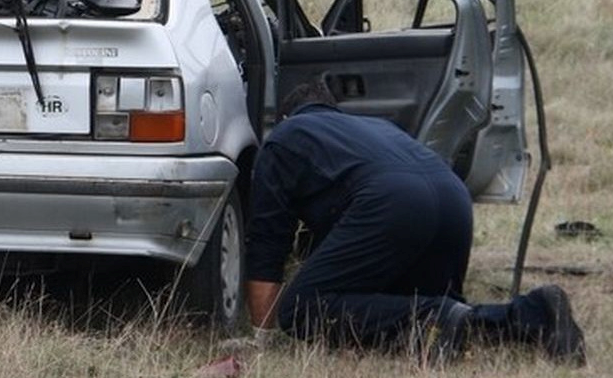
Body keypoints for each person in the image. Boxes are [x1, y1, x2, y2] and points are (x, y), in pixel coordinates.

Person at [243, 77, 585, 364]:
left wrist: (262, 339)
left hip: (392, 202)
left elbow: (267, 243)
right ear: (333, 109)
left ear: (287, 116)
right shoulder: (374, 127)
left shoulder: (286, 137)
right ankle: (532, 316)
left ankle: (452, 320)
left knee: (302, 309)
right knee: (437, 318)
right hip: (453, 198)